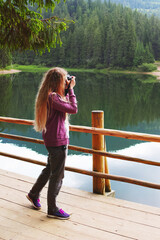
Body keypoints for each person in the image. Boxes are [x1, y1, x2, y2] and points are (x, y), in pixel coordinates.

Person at [26, 67, 78, 220]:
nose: (66, 81)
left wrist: (67, 90)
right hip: (58, 141)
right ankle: (52, 208)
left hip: (52, 140)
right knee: (57, 175)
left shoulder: (50, 96)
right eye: (64, 79)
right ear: (58, 81)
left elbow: (66, 108)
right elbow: (73, 109)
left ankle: (33, 194)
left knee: (50, 168)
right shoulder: (53, 97)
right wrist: (72, 90)